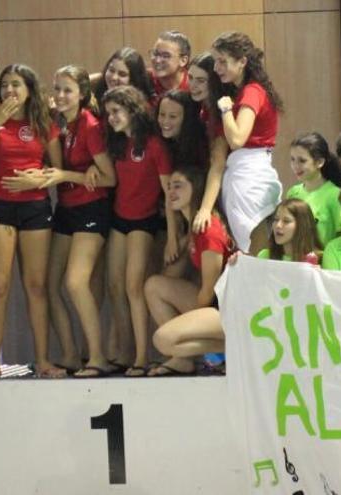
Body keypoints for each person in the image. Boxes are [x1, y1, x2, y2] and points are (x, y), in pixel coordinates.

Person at [4, 65, 117, 377]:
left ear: (82, 94)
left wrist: (66, 175)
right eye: (57, 89)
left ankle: (98, 357)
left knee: (75, 282)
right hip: (66, 209)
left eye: (68, 90)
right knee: (48, 286)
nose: (61, 96)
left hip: (92, 210)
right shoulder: (58, 123)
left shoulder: (91, 126)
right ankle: (69, 353)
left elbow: (109, 177)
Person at [0, 64, 63, 381]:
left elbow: (58, 169)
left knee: (36, 286)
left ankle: (42, 359)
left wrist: (37, 181)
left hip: (35, 207)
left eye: (16, 84)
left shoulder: (42, 122)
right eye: (5, 85)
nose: (10, 91)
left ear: (29, 90)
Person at [102, 85, 176, 378]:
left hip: (144, 222)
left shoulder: (154, 145)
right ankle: (126, 349)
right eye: (108, 113)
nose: (111, 118)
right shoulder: (119, 143)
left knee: (134, 287)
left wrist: (171, 236)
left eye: (116, 112)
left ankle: (143, 356)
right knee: (115, 286)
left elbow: (169, 193)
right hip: (120, 219)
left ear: (133, 110)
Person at [145, 167, 232, 376]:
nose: (172, 192)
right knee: (154, 285)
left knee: (163, 340)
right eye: (169, 187)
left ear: (197, 189)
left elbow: (209, 291)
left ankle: (234, 348)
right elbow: (170, 275)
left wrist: (187, 325)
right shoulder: (194, 227)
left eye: (179, 186)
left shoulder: (209, 228)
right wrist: (176, 240)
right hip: (212, 305)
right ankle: (183, 361)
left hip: (228, 311)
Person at [213, 31, 283, 254]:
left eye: (223, 61)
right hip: (246, 170)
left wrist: (225, 109)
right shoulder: (248, 90)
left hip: (249, 174)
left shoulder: (251, 92)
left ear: (242, 61)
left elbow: (236, 138)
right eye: (216, 61)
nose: (217, 68)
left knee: (257, 249)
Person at [187, 53, 229, 235]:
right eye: (190, 78)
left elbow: (218, 164)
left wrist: (205, 209)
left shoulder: (220, 112)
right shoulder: (204, 107)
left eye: (201, 80)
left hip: (229, 185)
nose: (193, 85)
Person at [284, 132, 341, 246]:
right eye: (292, 159)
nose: (295, 166)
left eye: (302, 161)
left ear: (319, 162)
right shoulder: (293, 193)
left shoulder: (335, 195)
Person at [258, 198, 322, 263]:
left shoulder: (320, 258)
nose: (278, 225)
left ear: (302, 225)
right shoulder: (265, 256)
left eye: (286, 221)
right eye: (276, 219)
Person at [148, 30, 192, 106]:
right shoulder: (145, 79)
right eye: (155, 54)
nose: (158, 60)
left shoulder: (194, 84)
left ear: (183, 60)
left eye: (165, 56)